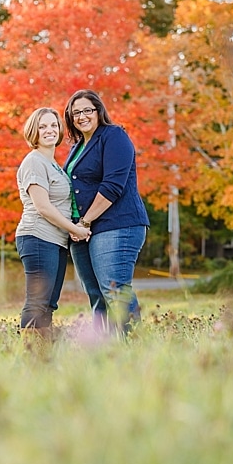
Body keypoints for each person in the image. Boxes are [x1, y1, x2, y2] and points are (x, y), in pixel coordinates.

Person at [62, 89, 149, 335]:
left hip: (116, 224)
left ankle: (134, 344)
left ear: (98, 111)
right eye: (75, 112)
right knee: (96, 295)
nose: (82, 116)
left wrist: (86, 222)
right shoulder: (78, 146)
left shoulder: (114, 136)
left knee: (115, 289)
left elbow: (112, 185)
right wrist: (75, 226)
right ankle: (105, 349)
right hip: (83, 231)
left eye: (87, 110)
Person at [15, 107, 91, 343]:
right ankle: (27, 353)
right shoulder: (34, 162)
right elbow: (43, 207)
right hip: (37, 237)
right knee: (38, 301)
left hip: (55, 240)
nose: (49, 130)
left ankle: (42, 355)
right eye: (43, 126)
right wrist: (75, 229)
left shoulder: (54, 164)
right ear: (33, 132)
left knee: (49, 302)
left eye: (53, 125)